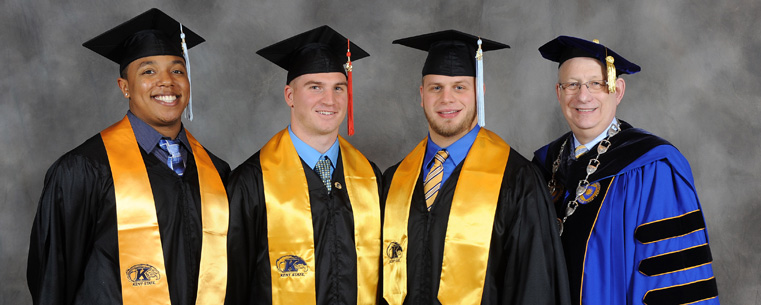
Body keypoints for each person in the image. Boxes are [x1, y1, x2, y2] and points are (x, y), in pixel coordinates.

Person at [26, 8, 230, 305]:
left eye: (177, 70)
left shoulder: (217, 171)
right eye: (148, 71)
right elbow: (52, 281)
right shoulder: (83, 169)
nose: (167, 83)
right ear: (125, 87)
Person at [382, 30, 570, 305]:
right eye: (436, 87)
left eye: (460, 87)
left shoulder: (516, 180)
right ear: (422, 95)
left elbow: (534, 285)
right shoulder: (395, 178)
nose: (447, 99)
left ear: (479, 91)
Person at [532, 35, 719, 305]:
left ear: (617, 90)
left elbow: (670, 279)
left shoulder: (652, 168)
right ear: (559, 92)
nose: (583, 96)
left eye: (596, 84)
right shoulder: (544, 164)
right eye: (572, 85)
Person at [225, 25, 382, 305]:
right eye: (315, 88)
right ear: (290, 96)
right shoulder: (251, 182)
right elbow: (231, 288)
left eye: (338, 88)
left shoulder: (370, 177)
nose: (329, 100)